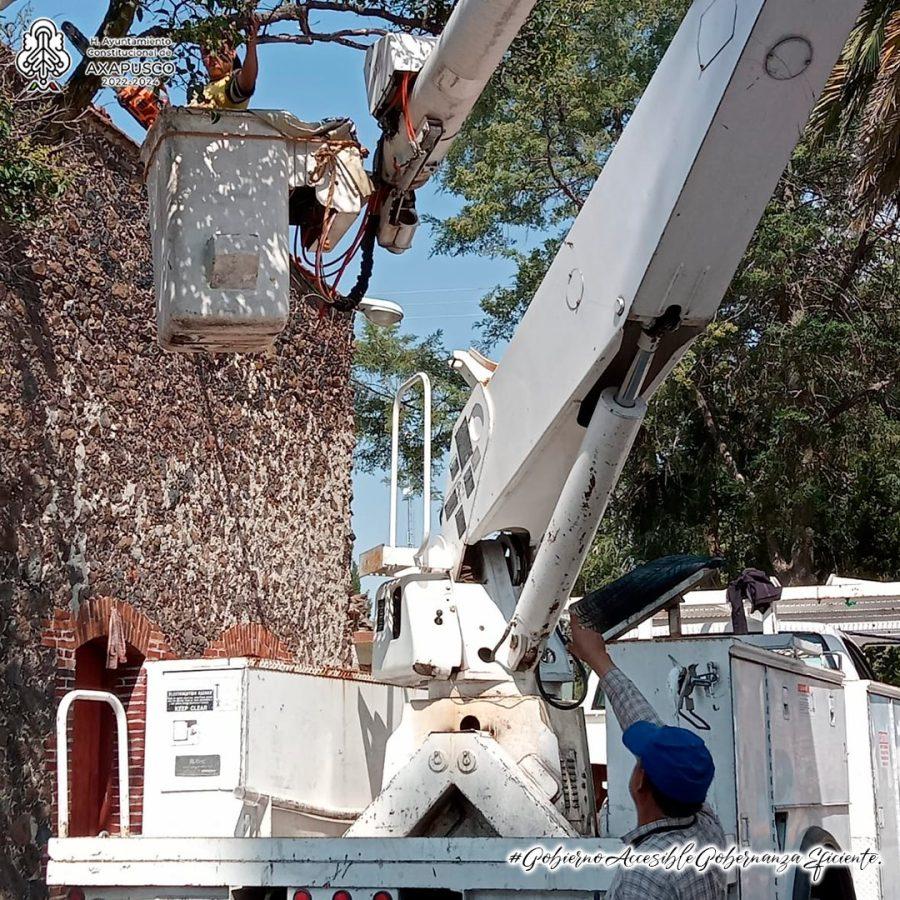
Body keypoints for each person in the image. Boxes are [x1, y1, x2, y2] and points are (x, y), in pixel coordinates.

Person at [569, 614, 727, 899]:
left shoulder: (643, 877)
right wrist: (598, 659)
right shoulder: (705, 827)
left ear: (641, 780)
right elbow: (643, 720)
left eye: (639, 759)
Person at [191, 15, 260, 110]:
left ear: (232, 53)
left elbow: (247, 83)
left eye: (219, 50)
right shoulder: (197, 92)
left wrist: (251, 43)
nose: (213, 56)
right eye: (206, 52)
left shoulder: (228, 85)